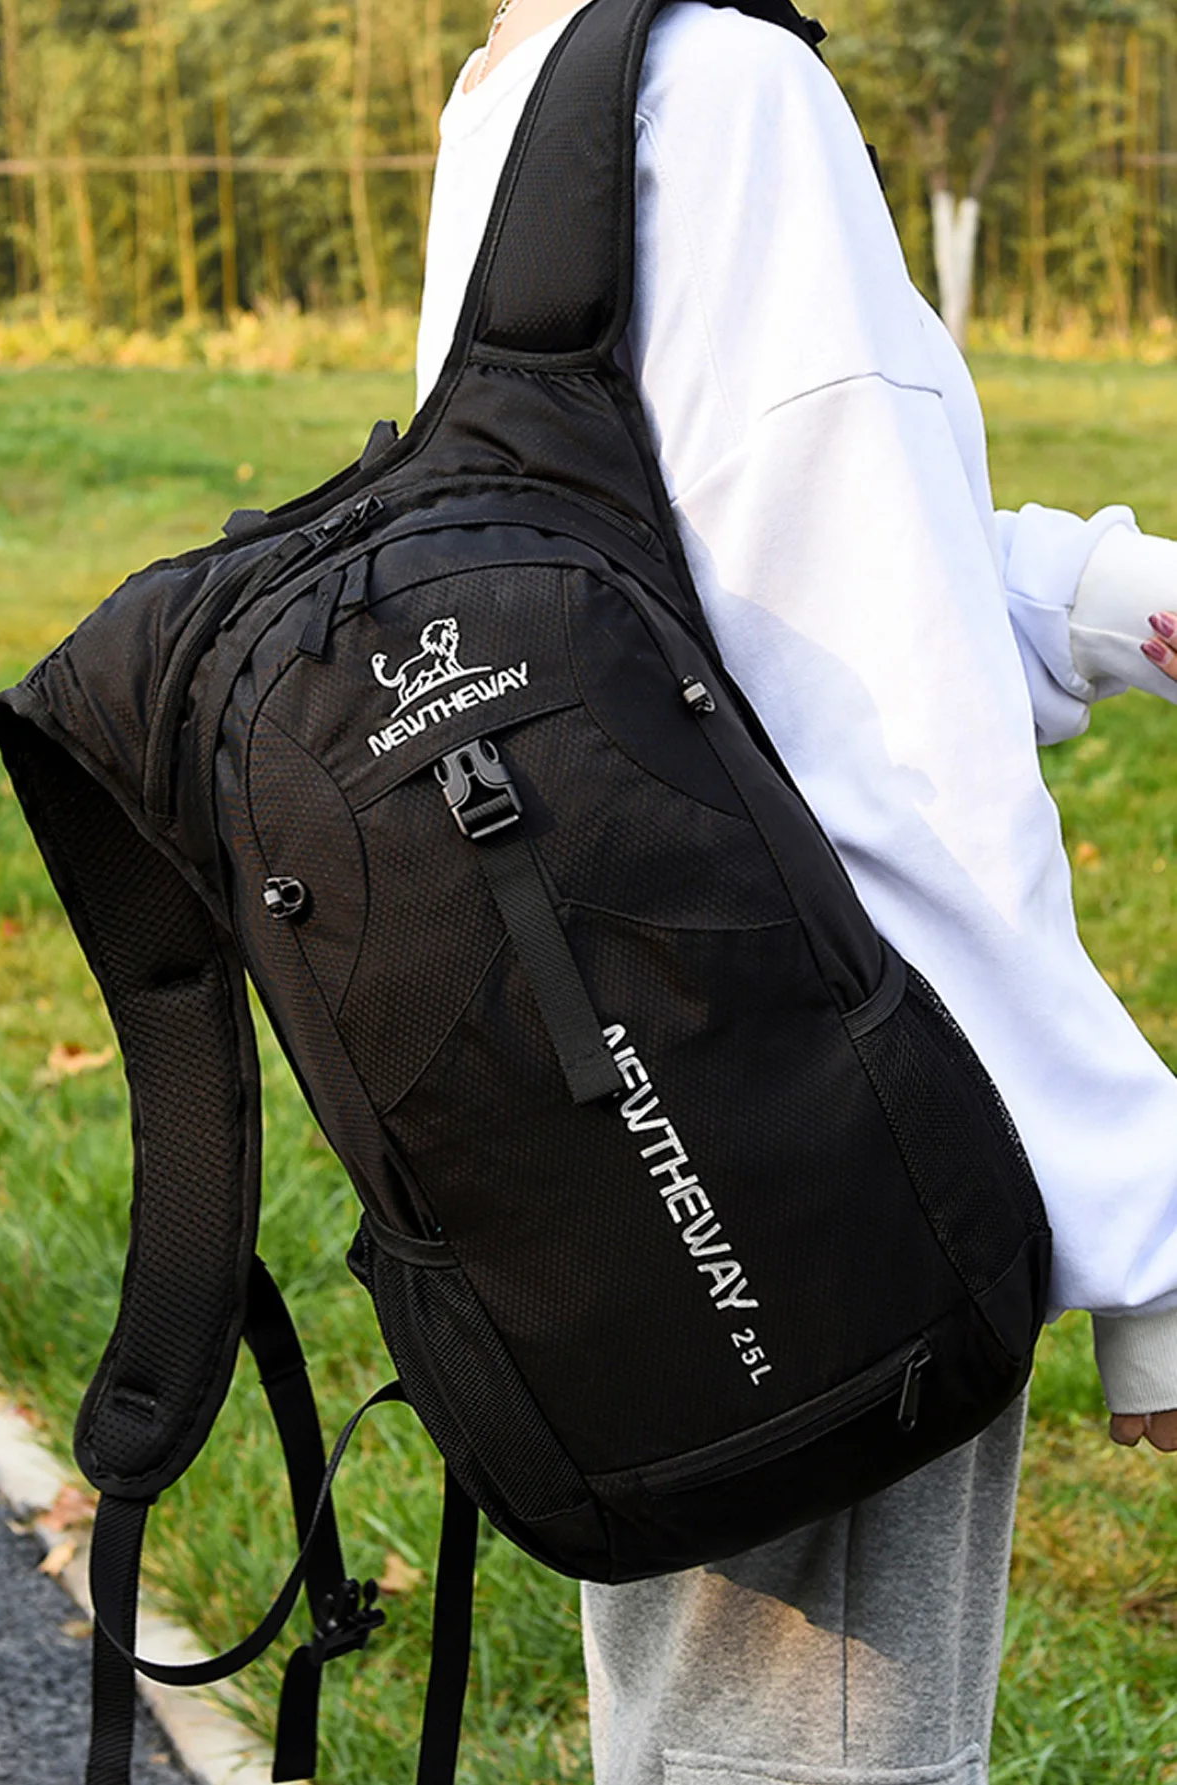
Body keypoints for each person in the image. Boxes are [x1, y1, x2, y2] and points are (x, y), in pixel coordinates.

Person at [414, 4, 1177, 1782]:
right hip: (844, 1152)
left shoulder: (540, 72)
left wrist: (1104, 601)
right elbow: (893, 750)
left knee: (705, 1737)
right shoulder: (735, 88)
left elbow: (700, 591)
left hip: (641, 1091)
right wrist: (1151, 1250)